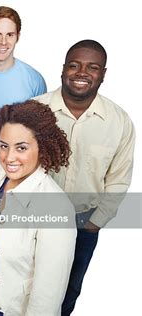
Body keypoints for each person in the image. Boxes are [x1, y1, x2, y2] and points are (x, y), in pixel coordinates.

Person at [34, 39, 135, 315]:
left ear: (103, 74)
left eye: (92, 67)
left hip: (83, 224)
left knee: (69, 291)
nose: (82, 73)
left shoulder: (119, 121)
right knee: (26, 289)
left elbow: (118, 178)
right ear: (63, 69)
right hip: (34, 222)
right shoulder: (33, 112)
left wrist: (94, 223)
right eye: (74, 65)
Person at [0, 100, 76, 315]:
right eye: (4, 146)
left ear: (42, 147)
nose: (9, 158)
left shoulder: (56, 207)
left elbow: (48, 294)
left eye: (22, 148)